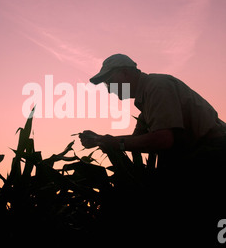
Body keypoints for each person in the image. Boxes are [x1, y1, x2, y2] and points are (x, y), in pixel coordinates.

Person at [79, 53, 226, 174]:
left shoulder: (157, 87)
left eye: (109, 82)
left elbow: (163, 140)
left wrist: (115, 144)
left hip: (214, 151)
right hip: (201, 153)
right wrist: (99, 139)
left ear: (125, 73)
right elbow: (138, 139)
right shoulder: (145, 99)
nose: (109, 89)